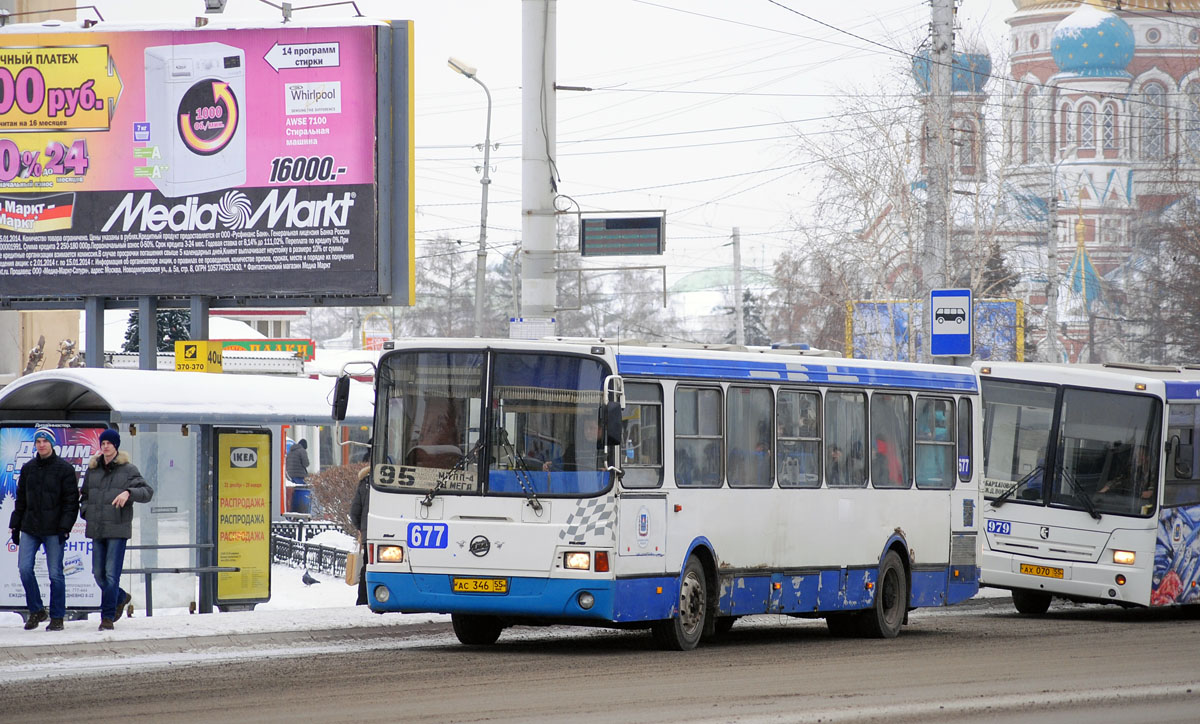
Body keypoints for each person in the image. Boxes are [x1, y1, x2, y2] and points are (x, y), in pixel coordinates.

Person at [80, 428, 154, 631]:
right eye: (103, 443)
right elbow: (84, 495)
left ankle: (107, 617)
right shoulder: (93, 470)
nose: (105, 447)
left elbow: (147, 492)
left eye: (109, 443)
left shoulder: (128, 469)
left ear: (116, 446)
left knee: (112, 575)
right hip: (97, 528)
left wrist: (128, 493)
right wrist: (86, 511)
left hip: (117, 529)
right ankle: (120, 597)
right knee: (98, 574)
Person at [9, 428, 79, 632]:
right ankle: (37, 610)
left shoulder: (64, 469)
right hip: (30, 527)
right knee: (24, 569)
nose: (41, 444)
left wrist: (65, 526)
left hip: (54, 529)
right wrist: (15, 525)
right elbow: (20, 499)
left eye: (45, 441)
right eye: (38, 441)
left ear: (52, 443)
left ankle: (57, 616)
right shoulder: (28, 468)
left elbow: (70, 501)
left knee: (56, 574)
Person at [349, 466, 370, 606]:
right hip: (395, 533)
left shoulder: (365, 483)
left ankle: (362, 599)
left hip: (370, 534)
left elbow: (354, 512)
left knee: (368, 565)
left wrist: (362, 529)